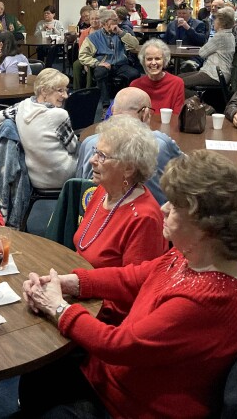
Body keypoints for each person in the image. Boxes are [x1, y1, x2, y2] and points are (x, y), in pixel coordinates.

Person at [19, 150, 237, 418]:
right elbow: (134, 276)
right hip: (114, 377)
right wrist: (71, 282)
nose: (163, 208)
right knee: (36, 372)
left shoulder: (206, 300)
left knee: (40, 374)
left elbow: (119, 345)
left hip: (128, 405)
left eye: (175, 206)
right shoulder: (196, 254)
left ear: (206, 227)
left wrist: (57, 307)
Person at [71, 115, 168, 320]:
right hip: (78, 291)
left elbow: (133, 294)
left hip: (104, 314)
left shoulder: (144, 218)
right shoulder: (102, 192)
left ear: (129, 168)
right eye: (95, 152)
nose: (92, 160)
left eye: (102, 156)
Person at [77, 87, 183, 205]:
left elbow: (78, 184)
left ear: (112, 110)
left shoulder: (88, 143)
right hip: (154, 219)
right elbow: (189, 174)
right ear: (145, 113)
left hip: (94, 215)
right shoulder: (161, 143)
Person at [0, 68, 77, 189]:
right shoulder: (59, 115)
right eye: (60, 91)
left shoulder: (22, 107)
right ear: (44, 91)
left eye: (66, 90)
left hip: (34, 178)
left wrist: (16, 124)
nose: (65, 96)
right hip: (61, 176)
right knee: (91, 149)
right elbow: (73, 147)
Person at [78, 9, 140, 104]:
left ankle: (126, 101)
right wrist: (97, 63)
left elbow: (135, 44)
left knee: (134, 74)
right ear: (106, 22)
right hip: (103, 64)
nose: (117, 21)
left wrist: (120, 32)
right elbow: (83, 56)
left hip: (120, 64)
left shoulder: (121, 33)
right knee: (100, 72)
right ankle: (105, 103)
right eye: (114, 20)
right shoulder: (93, 37)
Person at [179, 10, 235, 96]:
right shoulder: (230, 35)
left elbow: (202, 53)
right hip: (219, 73)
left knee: (178, 83)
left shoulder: (220, 36)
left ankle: (200, 101)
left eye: (215, 20)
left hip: (214, 74)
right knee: (177, 78)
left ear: (221, 22)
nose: (214, 23)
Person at [130, 38, 185, 113]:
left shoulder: (177, 83)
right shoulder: (135, 85)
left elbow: (177, 116)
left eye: (157, 58)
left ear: (164, 60)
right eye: (149, 59)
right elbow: (133, 116)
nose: (153, 63)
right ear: (143, 61)